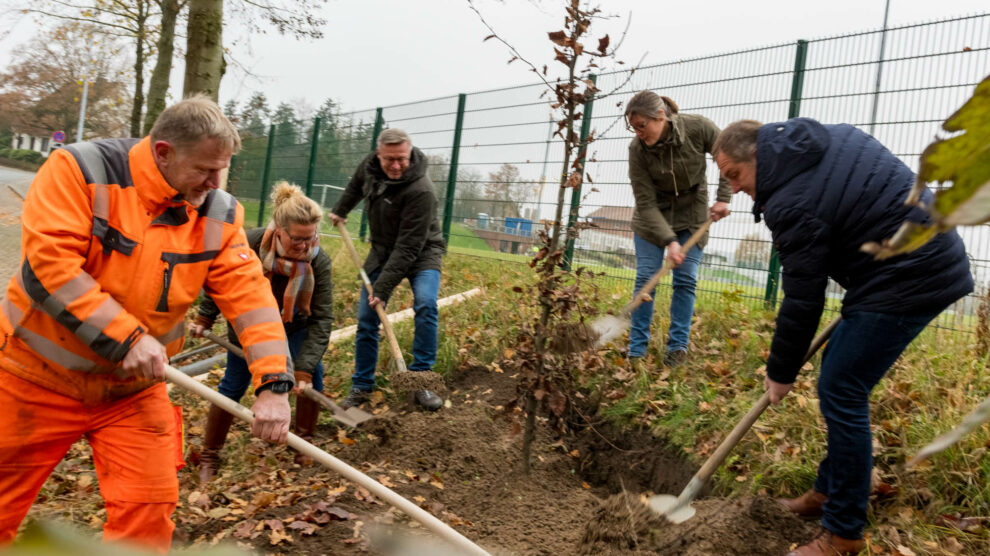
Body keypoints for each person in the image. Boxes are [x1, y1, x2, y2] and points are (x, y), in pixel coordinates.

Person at [0, 96, 294, 552]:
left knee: (149, 512)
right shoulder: (79, 172)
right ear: (163, 152)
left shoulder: (218, 212)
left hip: (132, 390)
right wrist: (126, 337)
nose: (216, 183)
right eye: (204, 170)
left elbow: (250, 298)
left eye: (223, 170)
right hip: (33, 377)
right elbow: (49, 268)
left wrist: (274, 382)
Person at [713, 118, 972, 556]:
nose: (734, 188)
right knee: (840, 374)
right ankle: (831, 491)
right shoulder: (823, 137)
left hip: (912, 272)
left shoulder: (791, 200)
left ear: (757, 154)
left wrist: (781, 372)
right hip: (916, 256)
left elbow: (803, 297)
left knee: (842, 387)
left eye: (734, 175)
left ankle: (843, 533)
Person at [191, 182, 333, 481]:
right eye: (297, 239)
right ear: (279, 229)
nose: (306, 246)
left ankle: (303, 447)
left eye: (311, 238)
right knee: (234, 383)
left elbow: (322, 318)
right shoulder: (251, 243)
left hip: (295, 326)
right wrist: (205, 317)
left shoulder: (318, 260)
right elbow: (221, 280)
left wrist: (303, 370)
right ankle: (209, 455)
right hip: (251, 328)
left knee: (313, 378)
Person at [329, 128, 445, 411]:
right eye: (389, 159)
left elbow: (408, 248)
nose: (396, 165)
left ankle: (422, 381)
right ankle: (361, 386)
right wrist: (341, 209)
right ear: (379, 154)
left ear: (411, 153)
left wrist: (381, 289)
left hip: (422, 251)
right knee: (367, 318)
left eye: (402, 159)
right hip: (382, 250)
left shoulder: (422, 191)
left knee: (427, 304)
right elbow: (356, 185)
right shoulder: (370, 167)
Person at [624, 91, 731, 368]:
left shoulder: (698, 128)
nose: (637, 133)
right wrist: (670, 241)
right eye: (633, 128)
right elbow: (645, 203)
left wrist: (723, 198)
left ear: (660, 117)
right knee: (647, 277)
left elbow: (727, 155)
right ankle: (636, 352)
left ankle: (677, 350)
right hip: (653, 216)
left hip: (693, 213)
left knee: (686, 279)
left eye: (641, 126)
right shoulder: (637, 150)